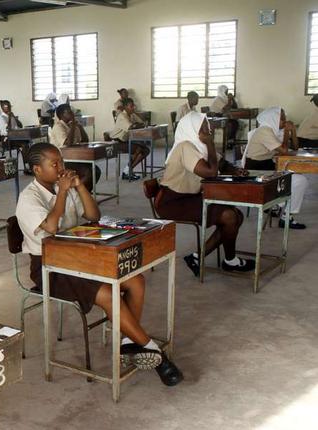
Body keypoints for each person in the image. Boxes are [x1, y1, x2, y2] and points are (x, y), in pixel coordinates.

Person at [16, 142, 182, 386]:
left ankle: (127, 344)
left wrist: (79, 186)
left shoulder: (63, 186)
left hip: (81, 256)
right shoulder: (28, 198)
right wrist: (62, 191)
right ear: (36, 170)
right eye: (54, 164)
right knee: (108, 293)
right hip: (50, 266)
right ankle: (153, 349)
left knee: (136, 280)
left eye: (61, 162)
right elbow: (51, 227)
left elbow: (93, 216)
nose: (61, 168)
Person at [155, 112, 254, 275]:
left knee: (236, 216)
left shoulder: (197, 146)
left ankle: (225, 260)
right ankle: (205, 258)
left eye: (207, 126)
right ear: (192, 129)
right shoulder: (185, 147)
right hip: (172, 202)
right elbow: (211, 172)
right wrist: (210, 143)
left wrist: (235, 170)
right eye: (204, 127)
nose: (209, 130)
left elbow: (222, 163)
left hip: (190, 197)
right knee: (229, 216)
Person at [242, 107, 307, 229]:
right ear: (273, 119)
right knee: (299, 181)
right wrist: (287, 132)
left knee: (296, 178)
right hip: (256, 171)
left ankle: (281, 208)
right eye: (281, 118)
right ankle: (285, 215)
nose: (284, 121)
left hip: (267, 166)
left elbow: (295, 148)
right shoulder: (265, 131)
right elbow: (284, 151)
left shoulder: (275, 131)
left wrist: (293, 131)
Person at [48, 103, 100, 191]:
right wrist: (72, 127)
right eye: (68, 112)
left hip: (76, 157)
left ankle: (84, 192)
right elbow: (67, 144)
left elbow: (85, 140)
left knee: (96, 170)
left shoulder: (72, 125)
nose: (72, 113)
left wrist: (79, 127)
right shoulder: (58, 127)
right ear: (62, 115)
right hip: (63, 160)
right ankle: (76, 193)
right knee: (89, 173)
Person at [110, 98, 150, 181]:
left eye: (133, 106)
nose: (133, 108)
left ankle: (128, 170)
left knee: (146, 150)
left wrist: (138, 124)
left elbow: (142, 123)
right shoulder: (122, 116)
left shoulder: (132, 115)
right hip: (116, 142)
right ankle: (127, 172)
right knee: (138, 149)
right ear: (125, 107)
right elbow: (131, 127)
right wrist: (137, 125)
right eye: (131, 106)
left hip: (125, 140)